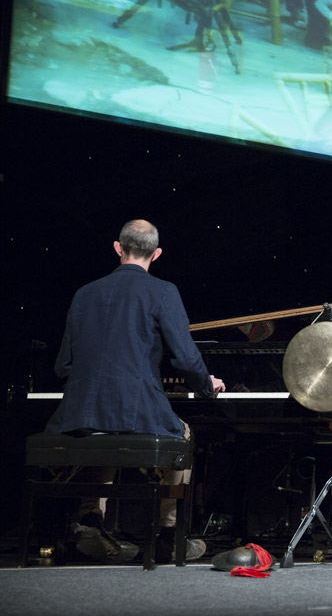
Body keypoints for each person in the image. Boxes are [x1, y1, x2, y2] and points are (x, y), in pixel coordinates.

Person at [45, 219, 225, 563]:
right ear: (156, 254)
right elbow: (186, 358)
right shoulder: (163, 291)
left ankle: (90, 523)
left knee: (100, 432)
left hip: (80, 412)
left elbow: (62, 366)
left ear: (118, 248)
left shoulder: (84, 293)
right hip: (136, 408)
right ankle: (168, 535)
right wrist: (207, 385)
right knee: (183, 434)